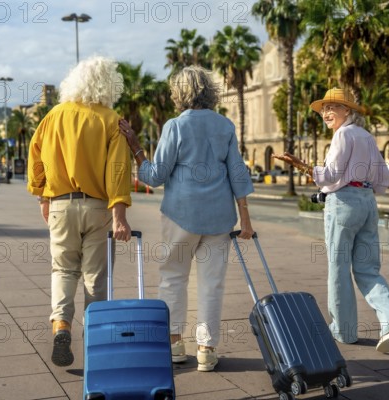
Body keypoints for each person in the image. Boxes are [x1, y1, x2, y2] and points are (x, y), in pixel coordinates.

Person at [119, 66, 255, 372]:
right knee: (212, 283)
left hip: (181, 215)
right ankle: (206, 349)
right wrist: (245, 219)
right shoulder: (225, 126)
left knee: (173, 277)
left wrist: (137, 150)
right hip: (220, 218)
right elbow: (238, 173)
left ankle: (175, 344)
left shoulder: (175, 126)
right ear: (209, 91)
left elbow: (156, 176)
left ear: (180, 93)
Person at [273, 88, 389, 353]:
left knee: (338, 269)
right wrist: (365, 189)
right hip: (367, 202)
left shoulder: (342, 135)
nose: (326, 112)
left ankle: (344, 331)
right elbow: (383, 177)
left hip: (343, 204)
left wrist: (299, 164)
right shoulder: (366, 136)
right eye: (324, 108)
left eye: (332, 107)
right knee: (368, 268)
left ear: (347, 111)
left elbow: (330, 175)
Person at [27, 56, 133, 367]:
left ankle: (61, 324)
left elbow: (35, 156)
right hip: (98, 207)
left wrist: (42, 197)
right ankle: (95, 339)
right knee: (95, 276)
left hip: (60, 203)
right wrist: (120, 216)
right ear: (109, 84)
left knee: (62, 269)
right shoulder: (111, 120)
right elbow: (118, 171)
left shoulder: (53, 116)